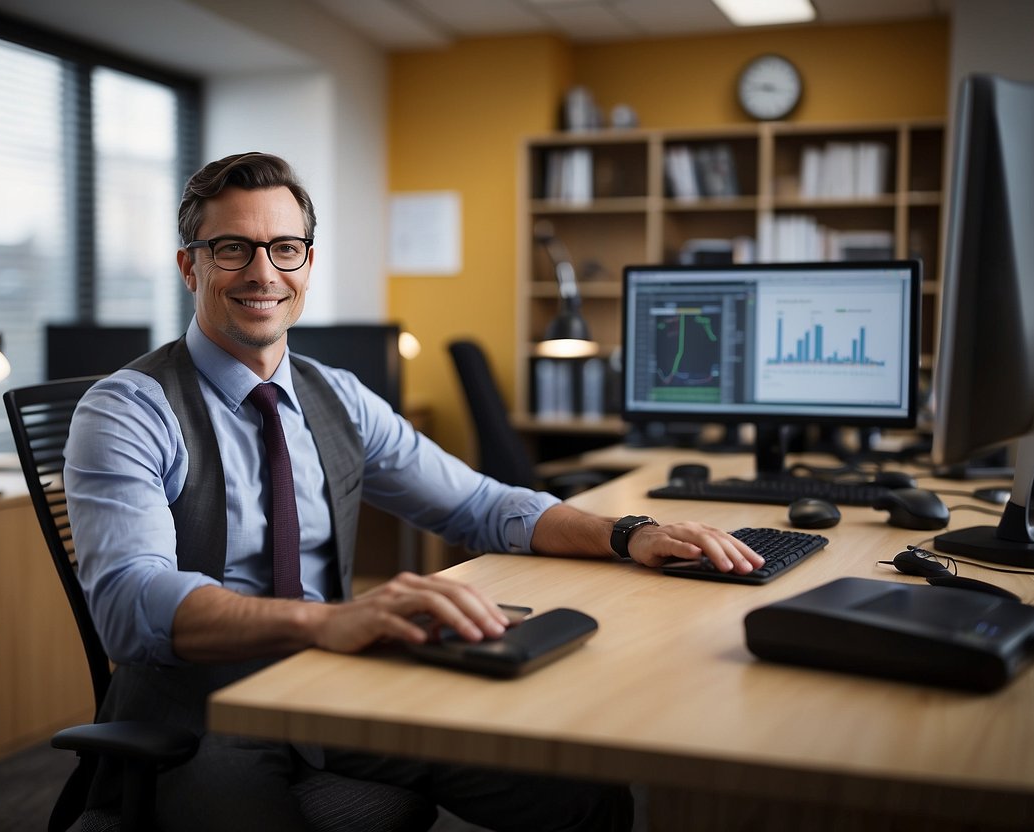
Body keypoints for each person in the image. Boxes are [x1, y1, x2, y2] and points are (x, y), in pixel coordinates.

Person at [64, 151, 763, 831]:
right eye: (230, 249)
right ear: (189, 264)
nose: (261, 273)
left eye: (284, 248)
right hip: (201, 719)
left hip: (330, 691)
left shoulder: (336, 396)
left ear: (308, 263)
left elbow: (479, 505)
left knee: (575, 795)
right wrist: (327, 622)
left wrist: (625, 533)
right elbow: (129, 602)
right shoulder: (127, 408)